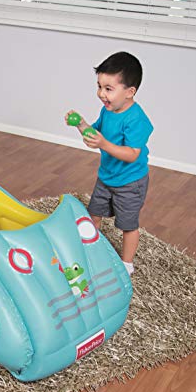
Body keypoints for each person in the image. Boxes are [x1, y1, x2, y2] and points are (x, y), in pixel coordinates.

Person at [65, 51, 153, 276]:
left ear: (129, 92)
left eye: (108, 89)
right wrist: (81, 124)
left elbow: (132, 154)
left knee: (127, 225)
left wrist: (103, 143)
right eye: (99, 86)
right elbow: (94, 134)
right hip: (106, 177)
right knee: (93, 214)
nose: (101, 94)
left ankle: (127, 263)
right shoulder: (108, 111)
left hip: (130, 182)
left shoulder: (137, 119)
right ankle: (89, 249)